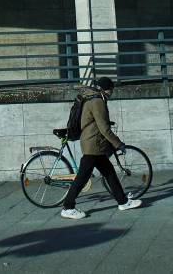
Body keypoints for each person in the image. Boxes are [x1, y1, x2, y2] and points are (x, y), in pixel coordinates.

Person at [60, 76, 143, 219]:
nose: (111, 93)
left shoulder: (91, 98)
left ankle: (123, 201)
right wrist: (118, 143)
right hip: (93, 145)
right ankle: (68, 207)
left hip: (95, 144)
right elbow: (104, 128)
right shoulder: (97, 102)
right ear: (104, 89)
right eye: (111, 90)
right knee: (82, 177)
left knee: (109, 173)